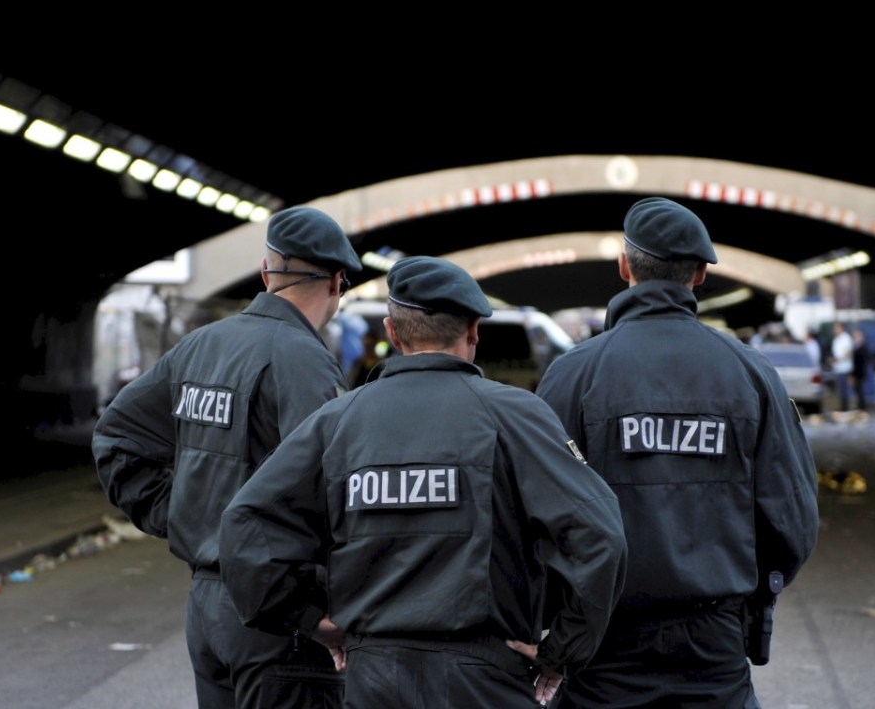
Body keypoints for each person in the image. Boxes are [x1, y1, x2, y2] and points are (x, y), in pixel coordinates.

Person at [219, 255, 628, 708]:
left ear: (393, 333)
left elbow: (245, 523)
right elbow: (599, 536)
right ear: (474, 331)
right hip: (483, 680)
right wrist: (562, 652)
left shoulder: (338, 420)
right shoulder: (515, 416)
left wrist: (309, 620)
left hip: (372, 678)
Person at [535, 196, 820, 708]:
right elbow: (792, 517)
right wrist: (750, 594)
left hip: (602, 643)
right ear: (701, 274)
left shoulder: (573, 375)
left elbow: (537, 513)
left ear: (624, 267)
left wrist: (562, 622)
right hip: (714, 644)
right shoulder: (750, 373)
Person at [92, 206, 362, 709]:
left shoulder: (200, 346)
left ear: (265, 272)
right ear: (336, 282)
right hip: (279, 621)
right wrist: (317, 612)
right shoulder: (304, 361)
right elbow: (334, 493)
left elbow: (117, 437)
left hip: (208, 610)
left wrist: (181, 514)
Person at [830, 321, 854, 412]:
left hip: (845, 368)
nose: (834, 330)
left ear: (841, 328)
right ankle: (842, 408)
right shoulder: (835, 340)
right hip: (838, 368)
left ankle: (846, 409)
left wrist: (837, 359)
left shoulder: (846, 338)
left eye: (836, 328)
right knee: (840, 390)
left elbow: (847, 353)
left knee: (845, 390)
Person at [851, 328, 870, 411]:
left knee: (860, 390)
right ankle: (860, 406)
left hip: (860, 372)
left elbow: (864, 360)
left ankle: (862, 407)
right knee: (857, 390)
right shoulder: (855, 347)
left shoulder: (863, 348)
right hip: (855, 372)